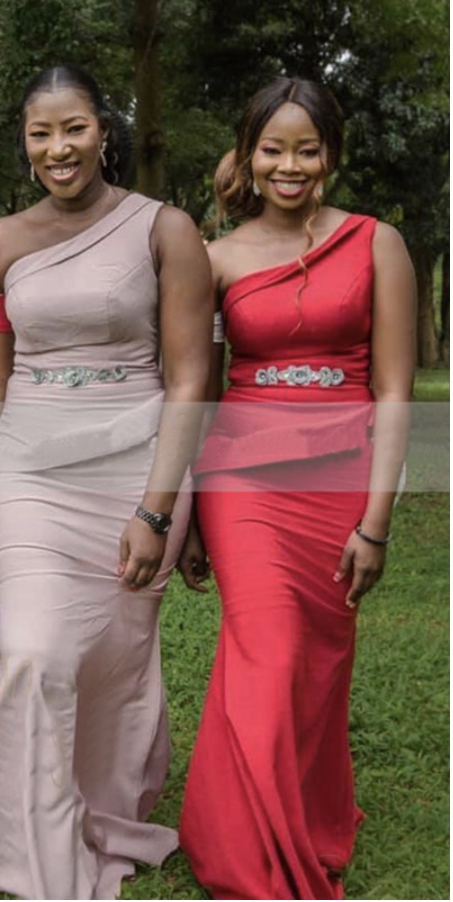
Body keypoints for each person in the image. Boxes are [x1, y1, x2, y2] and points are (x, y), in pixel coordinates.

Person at [0, 64, 213, 899]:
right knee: (35, 651)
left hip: (134, 464)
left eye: (74, 128)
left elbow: (188, 378)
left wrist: (157, 508)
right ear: (24, 143)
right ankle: (30, 833)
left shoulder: (164, 229)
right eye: (41, 133)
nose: (58, 148)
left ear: (105, 129)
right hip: (25, 466)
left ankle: (102, 808)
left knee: (114, 657)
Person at [177, 77, 415, 899]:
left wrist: (377, 522)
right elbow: (199, 393)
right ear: (247, 156)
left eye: (306, 149)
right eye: (272, 149)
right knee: (266, 654)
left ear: (332, 156)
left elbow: (394, 391)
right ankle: (243, 853)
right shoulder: (216, 257)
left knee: (320, 666)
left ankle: (311, 816)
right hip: (244, 485)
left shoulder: (376, 242)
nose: (289, 165)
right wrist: (191, 518)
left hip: (340, 486)